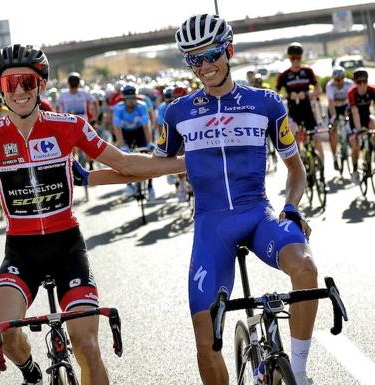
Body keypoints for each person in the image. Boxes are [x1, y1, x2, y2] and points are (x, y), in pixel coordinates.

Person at [0, 44, 184, 385]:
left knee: (87, 346)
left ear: (41, 85)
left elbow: (125, 162)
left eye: (27, 83)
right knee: (4, 332)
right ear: (0, 89)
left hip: (67, 249)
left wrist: (186, 163)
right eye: (10, 84)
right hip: (21, 251)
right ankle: (31, 371)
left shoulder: (70, 127)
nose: (19, 90)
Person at [78, 14, 316, 385]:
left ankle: (299, 373)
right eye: (193, 59)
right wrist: (89, 176)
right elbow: (151, 167)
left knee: (305, 267)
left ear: (230, 51)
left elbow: (296, 170)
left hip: (258, 214)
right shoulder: (177, 112)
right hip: (211, 226)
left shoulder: (267, 103)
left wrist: (291, 207)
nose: (203, 66)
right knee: (205, 343)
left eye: (210, 55)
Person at [275, 42, 325, 173]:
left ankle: (322, 171)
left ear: (301, 58)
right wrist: (286, 95)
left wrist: (309, 94)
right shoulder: (284, 75)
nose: (296, 61)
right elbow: (275, 93)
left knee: (317, 140)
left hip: (308, 111)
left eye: (298, 58)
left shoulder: (307, 71)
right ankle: (299, 169)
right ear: (289, 58)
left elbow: (318, 88)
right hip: (293, 113)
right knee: (294, 139)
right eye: (293, 58)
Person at [111, 84, 156, 202]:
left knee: (148, 157)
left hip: (140, 131)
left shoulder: (142, 106)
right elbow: (117, 127)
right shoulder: (118, 108)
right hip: (126, 133)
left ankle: (150, 186)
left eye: (133, 98)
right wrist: (121, 145)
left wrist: (149, 142)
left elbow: (147, 126)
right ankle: (129, 184)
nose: (131, 101)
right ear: (124, 98)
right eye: (128, 98)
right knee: (124, 156)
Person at [347, 68, 375, 183]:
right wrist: (359, 131)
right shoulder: (351, 93)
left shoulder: (372, 90)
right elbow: (355, 113)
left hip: (367, 118)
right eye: (359, 82)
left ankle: (370, 150)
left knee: (373, 124)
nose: (362, 84)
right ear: (355, 83)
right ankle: (354, 170)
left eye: (365, 81)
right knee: (356, 146)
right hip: (354, 121)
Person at [325, 66, 353, 171]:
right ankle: (334, 157)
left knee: (349, 123)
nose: (337, 82)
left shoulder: (349, 84)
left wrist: (348, 114)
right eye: (335, 80)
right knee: (333, 131)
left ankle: (348, 141)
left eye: (339, 79)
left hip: (345, 106)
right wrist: (333, 118)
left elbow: (352, 101)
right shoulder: (330, 85)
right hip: (334, 108)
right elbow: (331, 103)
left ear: (343, 78)